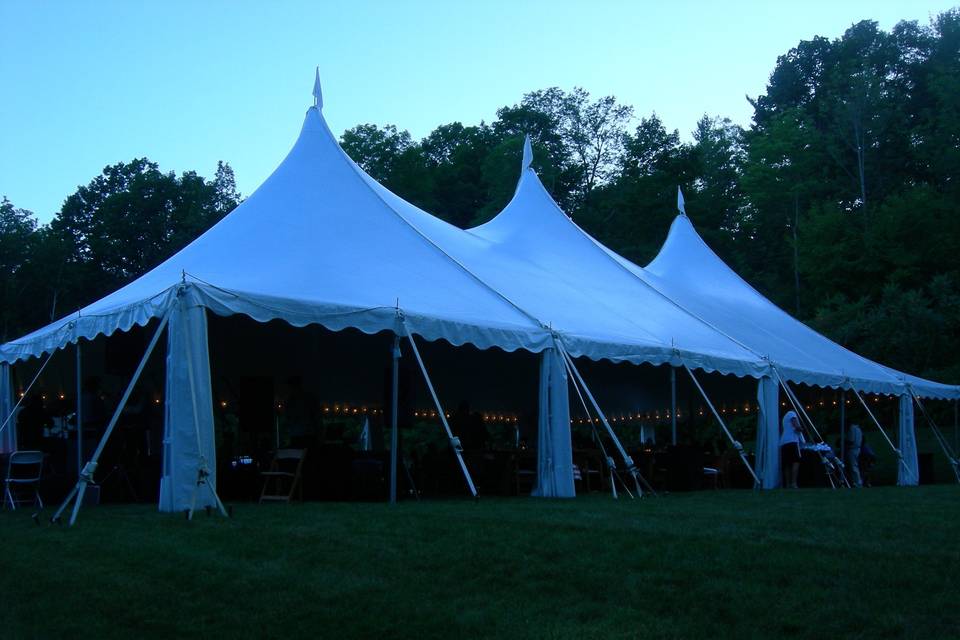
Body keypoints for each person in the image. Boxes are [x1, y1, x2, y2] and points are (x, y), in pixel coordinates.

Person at [780, 410, 804, 488]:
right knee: (795, 462)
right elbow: (796, 425)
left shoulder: (784, 418)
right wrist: (801, 429)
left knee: (787, 464)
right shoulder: (792, 413)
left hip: (784, 442)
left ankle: (787, 484)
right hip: (792, 441)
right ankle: (794, 483)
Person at [845, 423, 863, 487]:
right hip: (858, 448)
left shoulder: (852, 429)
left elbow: (851, 440)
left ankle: (857, 482)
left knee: (853, 467)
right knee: (855, 466)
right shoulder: (858, 429)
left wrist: (844, 442)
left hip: (853, 449)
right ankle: (856, 481)